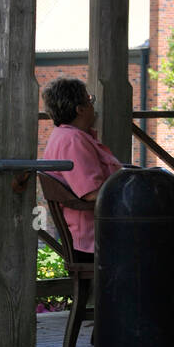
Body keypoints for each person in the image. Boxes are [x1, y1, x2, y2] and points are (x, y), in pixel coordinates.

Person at [41, 77, 122, 255]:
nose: (94, 106)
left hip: (101, 235)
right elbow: (92, 193)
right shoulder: (73, 141)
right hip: (97, 240)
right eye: (90, 100)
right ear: (80, 110)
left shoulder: (67, 137)